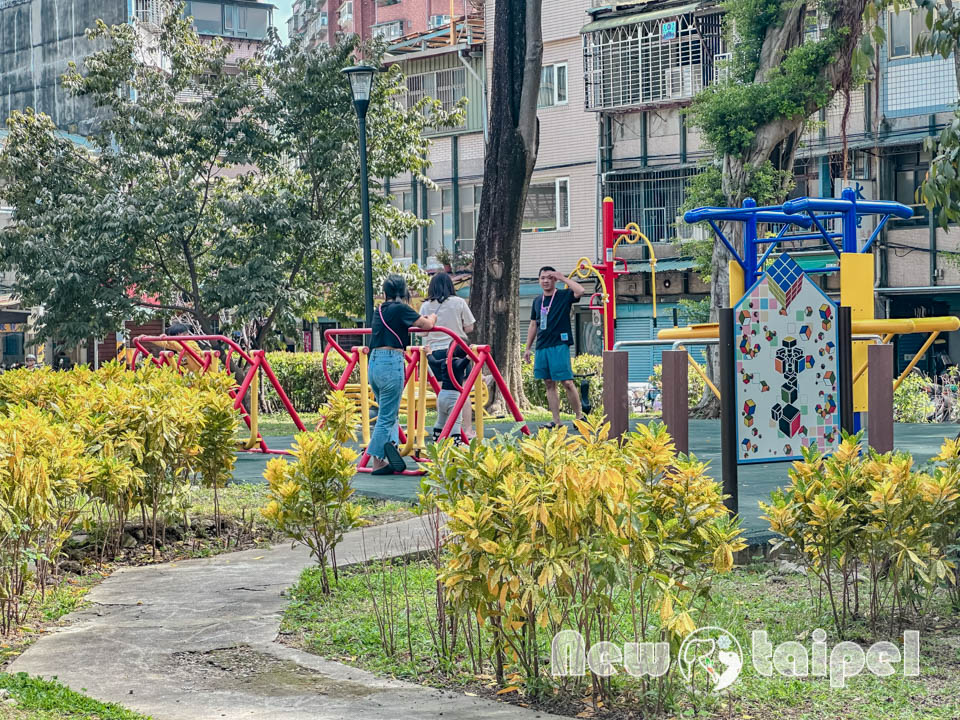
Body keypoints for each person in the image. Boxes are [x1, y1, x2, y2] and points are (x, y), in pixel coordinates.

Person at [368, 274, 437, 475]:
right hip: (391, 362)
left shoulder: (378, 310)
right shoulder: (401, 308)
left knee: (387, 413)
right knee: (387, 417)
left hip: (374, 362)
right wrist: (433, 317)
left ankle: (391, 448)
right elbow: (426, 326)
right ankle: (376, 460)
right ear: (402, 291)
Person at [523, 266, 585, 428]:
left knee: (567, 382)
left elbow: (580, 291)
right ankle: (556, 421)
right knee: (549, 383)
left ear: (554, 280)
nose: (545, 281)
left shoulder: (563, 295)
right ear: (539, 280)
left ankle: (579, 417)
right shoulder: (537, 301)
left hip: (559, 344)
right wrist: (528, 348)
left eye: (549, 278)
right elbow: (533, 324)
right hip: (542, 345)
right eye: (543, 278)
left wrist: (563, 278)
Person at [419, 272, 477, 442]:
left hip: (434, 351)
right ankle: (466, 429)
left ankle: (443, 428)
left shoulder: (425, 306)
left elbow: (422, 332)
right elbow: (469, 328)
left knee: (443, 392)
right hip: (456, 349)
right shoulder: (458, 302)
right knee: (462, 392)